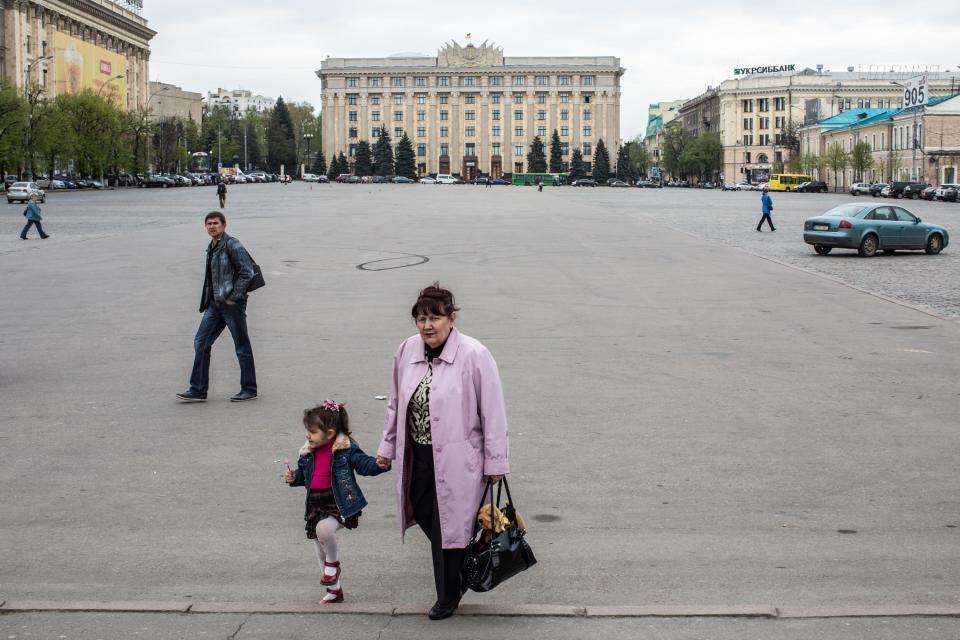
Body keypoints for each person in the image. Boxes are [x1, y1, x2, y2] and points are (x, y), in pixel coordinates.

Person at [376, 283, 509, 621]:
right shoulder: (407, 351)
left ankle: (448, 596)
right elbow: (395, 403)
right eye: (421, 319)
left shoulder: (475, 354)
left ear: (452, 318)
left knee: (448, 527)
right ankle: (462, 569)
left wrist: (496, 462)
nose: (427, 326)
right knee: (428, 515)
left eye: (435, 318)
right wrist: (387, 446)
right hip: (417, 455)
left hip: (458, 459)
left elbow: (493, 412)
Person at [285, 400, 388, 604]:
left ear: (330, 433)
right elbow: (306, 476)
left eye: (312, 432)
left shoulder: (345, 449)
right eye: (307, 430)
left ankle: (333, 565)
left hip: (339, 503)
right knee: (319, 545)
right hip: (316, 503)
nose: (307, 435)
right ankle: (334, 589)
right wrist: (294, 477)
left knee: (324, 531)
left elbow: (363, 464)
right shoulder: (307, 452)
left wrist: (379, 465)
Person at [176, 211, 258, 402]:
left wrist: (234, 296)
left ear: (224, 225)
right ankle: (197, 389)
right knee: (201, 342)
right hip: (215, 304)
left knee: (241, 346)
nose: (212, 226)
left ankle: (249, 388)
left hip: (231, 305)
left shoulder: (232, 244)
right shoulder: (212, 246)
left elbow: (247, 272)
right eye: (209, 224)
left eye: (215, 223)